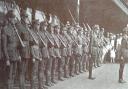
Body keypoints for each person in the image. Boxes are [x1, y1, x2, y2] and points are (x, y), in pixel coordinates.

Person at [2, 10, 21, 89]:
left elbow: (17, 44)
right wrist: (7, 58)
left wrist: (19, 55)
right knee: (9, 75)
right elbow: (4, 46)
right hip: (9, 56)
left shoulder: (15, 29)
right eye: (13, 18)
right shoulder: (5, 29)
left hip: (15, 55)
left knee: (14, 73)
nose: (15, 19)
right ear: (9, 18)